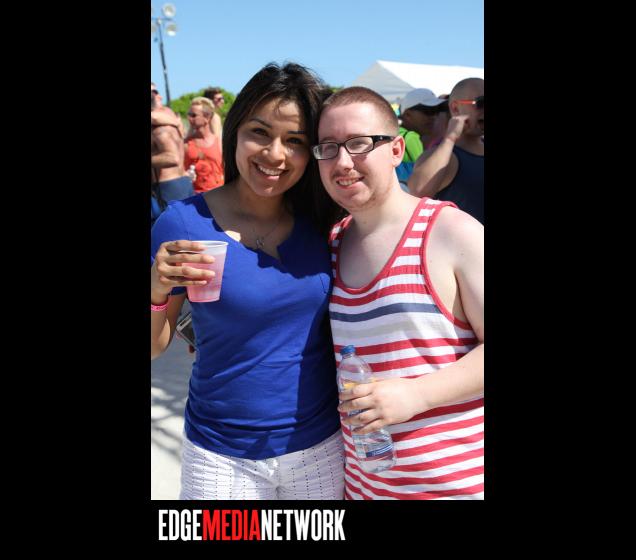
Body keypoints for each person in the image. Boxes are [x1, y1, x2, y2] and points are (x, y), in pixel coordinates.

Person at [151, 62, 345, 500]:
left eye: (295, 141)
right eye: (260, 132)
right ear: (235, 132)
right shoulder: (183, 223)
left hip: (320, 447)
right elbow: (155, 345)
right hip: (220, 454)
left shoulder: (325, 220)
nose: (275, 154)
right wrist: (157, 290)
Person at [313, 86, 484, 500]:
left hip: (453, 487)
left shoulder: (451, 232)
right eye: (328, 148)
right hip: (363, 488)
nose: (342, 161)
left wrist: (417, 394)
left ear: (394, 150)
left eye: (359, 143)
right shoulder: (331, 244)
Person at [407, 78, 484, 224]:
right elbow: (417, 192)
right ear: (455, 108)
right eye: (481, 103)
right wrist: (450, 138)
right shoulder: (446, 155)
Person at [151, 89, 194, 225]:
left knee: (170, 230)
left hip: (169, 187)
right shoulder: (171, 119)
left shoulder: (159, 128)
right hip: (181, 183)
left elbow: (172, 157)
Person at [396, 88, 447, 191]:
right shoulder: (411, 137)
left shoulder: (395, 132)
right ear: (408, 114)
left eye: (436, 111)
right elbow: (428, 177)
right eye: (428, 111)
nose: (434, 116)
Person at [183, 97, 225, 193]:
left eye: (193, 115)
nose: (189, 118)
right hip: (195, 196)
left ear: (207, 118)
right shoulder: (186, 144)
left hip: (218, 194)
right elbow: (179, 172)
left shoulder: (219, 142)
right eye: (189, 114)